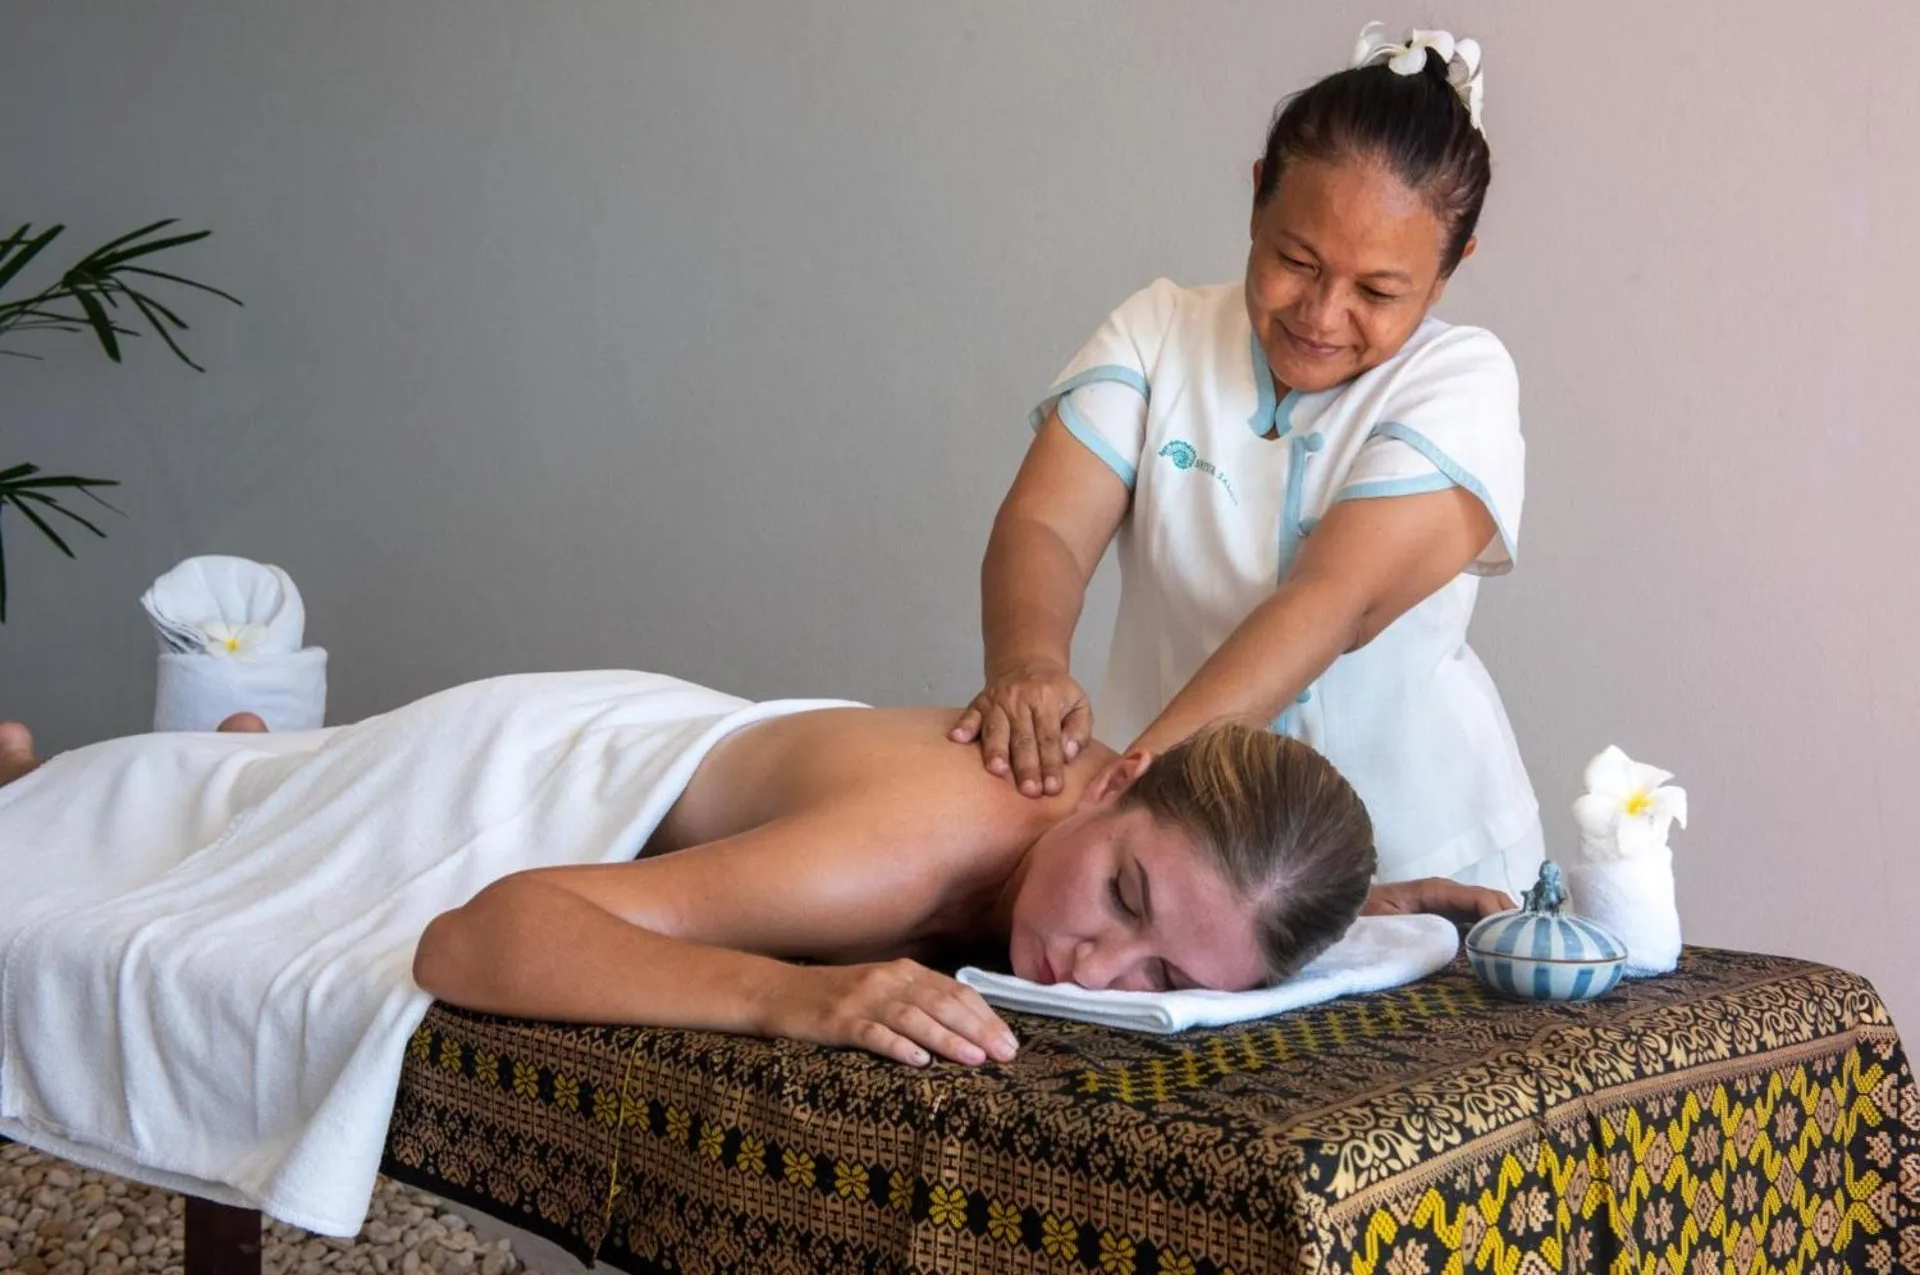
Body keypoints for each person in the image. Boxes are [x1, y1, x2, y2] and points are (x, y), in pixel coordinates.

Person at [0, 672, 1509, 1070]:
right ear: (1115, 776)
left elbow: (1211, 902)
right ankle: (93, 780)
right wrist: (794, 1004)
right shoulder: (902, 859)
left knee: (230, 794)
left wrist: (1365, 911)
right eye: (1119, 898)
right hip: (513, 773)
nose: (1094, 973)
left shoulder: (1154, 841)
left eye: (1170, 977)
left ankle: (217, 768)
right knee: (101, 845)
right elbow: (480, 938)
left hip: (652, 741)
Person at [951, 23, 1542, 896]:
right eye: (1296, 261)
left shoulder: (1462, 382)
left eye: (1379, 291)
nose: (1323, 313)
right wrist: (1028, 665)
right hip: (1177, 872)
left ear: (1451, 269)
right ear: (1259, 195)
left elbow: (1332, 601)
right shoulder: (1161, 332)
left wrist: (1132, 789)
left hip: (1420, 859)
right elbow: (1047, 524)